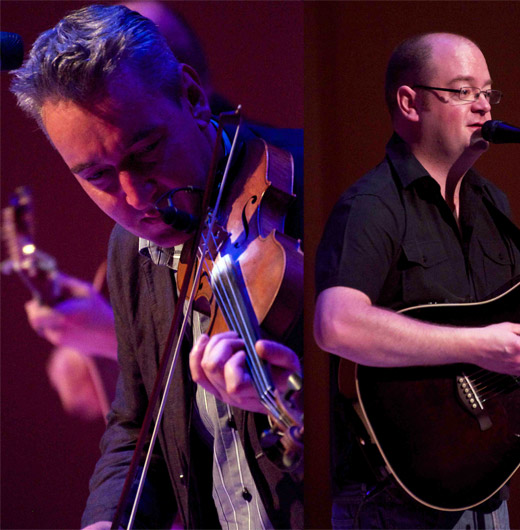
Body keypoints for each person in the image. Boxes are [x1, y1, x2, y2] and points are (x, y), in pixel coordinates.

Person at [314, 32, 520, 529]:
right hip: (391, 503)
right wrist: (477, 345)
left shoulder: (491, 204)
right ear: (410, 103)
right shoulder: (372, 206)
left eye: (488, 93)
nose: (482, 107)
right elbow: (336, 325)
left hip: (483, 492)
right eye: (462, 91)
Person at [10, 5, 303, 528]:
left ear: (191, 96)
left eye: (146, 150)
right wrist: (107, 519)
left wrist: (288, 399)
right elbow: (136, 427)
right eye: (97, 175)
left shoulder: (316, 187)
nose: (136, 195)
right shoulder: (130, 249)